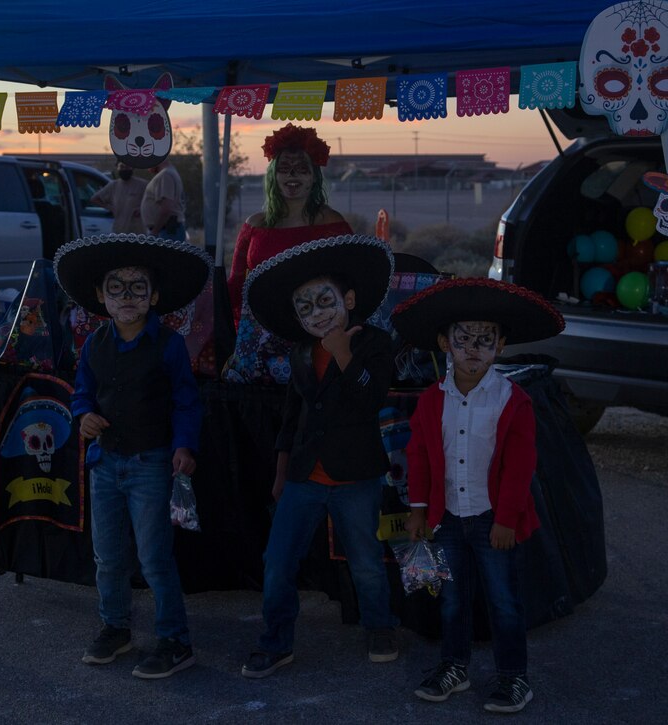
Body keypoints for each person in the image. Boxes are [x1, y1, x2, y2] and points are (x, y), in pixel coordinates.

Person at [391, 277, 565, 714]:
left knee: (504, 602)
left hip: (493, 519)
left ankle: (514, 678)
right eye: (463, 339)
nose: (472, 348)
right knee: (452, 599)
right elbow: (421, 455)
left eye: (484, 340)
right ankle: (455, 666)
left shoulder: (513, 400)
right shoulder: (433, 400)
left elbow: (520, 465)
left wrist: (507, 517)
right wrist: (417, 509)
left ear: (500, 346)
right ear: (444, 343)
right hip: (446, 518)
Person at [239, 234, 398, 678]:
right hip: (304, 478)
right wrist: (282, 471)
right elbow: (292, 418)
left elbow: (371, 400)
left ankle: (380, 626)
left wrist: (345, 355)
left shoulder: (374, 343)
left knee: (366, 561)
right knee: (278, 561)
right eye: (304, 307)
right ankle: (276, 641)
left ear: (348, 298)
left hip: (356, 478)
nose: (317, 313)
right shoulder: (301, 353)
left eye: (324, 300)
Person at [55, 232, 209, 680]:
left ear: (154, 296)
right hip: (105, 464)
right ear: (100, 296)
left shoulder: (169, 345)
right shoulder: (94, 345)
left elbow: (186, 400)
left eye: (137, 287)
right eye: (115, 288)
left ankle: (175, 639)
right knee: (107, 555)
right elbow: (82, 394)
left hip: (151, 464)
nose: (126, 296)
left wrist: (185, 445)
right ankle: (115, 626)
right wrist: (83, 415)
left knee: (154, 557)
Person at [223, 124, 352, 384]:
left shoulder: (332, 223)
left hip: (315, 333)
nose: (292, 176)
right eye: (284, 168)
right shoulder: (255, 225)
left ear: (314, 176)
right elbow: (237, 284)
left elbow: (350, 278)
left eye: (301, 169)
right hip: (258, 336)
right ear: (273, 175)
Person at [90, 162, 146, 234]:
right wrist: (110, 207)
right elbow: (94, 199)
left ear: (133, 168)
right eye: (122, 167)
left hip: (138, 232)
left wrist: (142, 209)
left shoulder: (142, 185)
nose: (124, 169)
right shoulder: (113, 185)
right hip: (119, 231)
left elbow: (153, 202)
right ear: (117, 168)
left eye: (127, 167)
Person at [141, 159, 186, 241]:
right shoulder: (169, 173)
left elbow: (167, 208)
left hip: (166, 232)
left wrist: (155, 232)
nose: (146, 168)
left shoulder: (165, 175)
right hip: (166, 231)